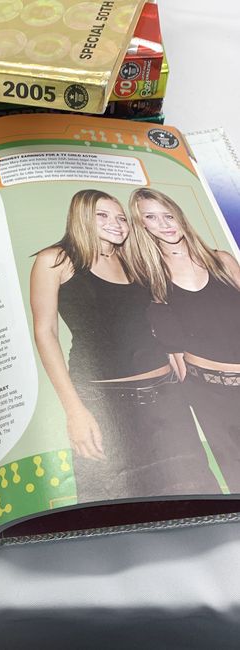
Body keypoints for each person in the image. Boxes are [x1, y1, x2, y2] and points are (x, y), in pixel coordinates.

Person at [30, 189, 218, 502]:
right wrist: (74, 410)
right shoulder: (56, 260)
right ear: (81, 217)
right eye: (102, 216)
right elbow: (45, 332)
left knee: (192, 494)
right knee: (114, 504)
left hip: (167, 397)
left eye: (121, 218)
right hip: (104, 402)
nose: (116, 224)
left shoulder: (132, 260)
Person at [128, 187, 240, 491]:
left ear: (179, 215)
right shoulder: (150, 279)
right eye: (151, 217)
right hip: (207, 392)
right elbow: (171, 349)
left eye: (168, 215)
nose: (164, 224)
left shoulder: (222, 261)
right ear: (141, 225)